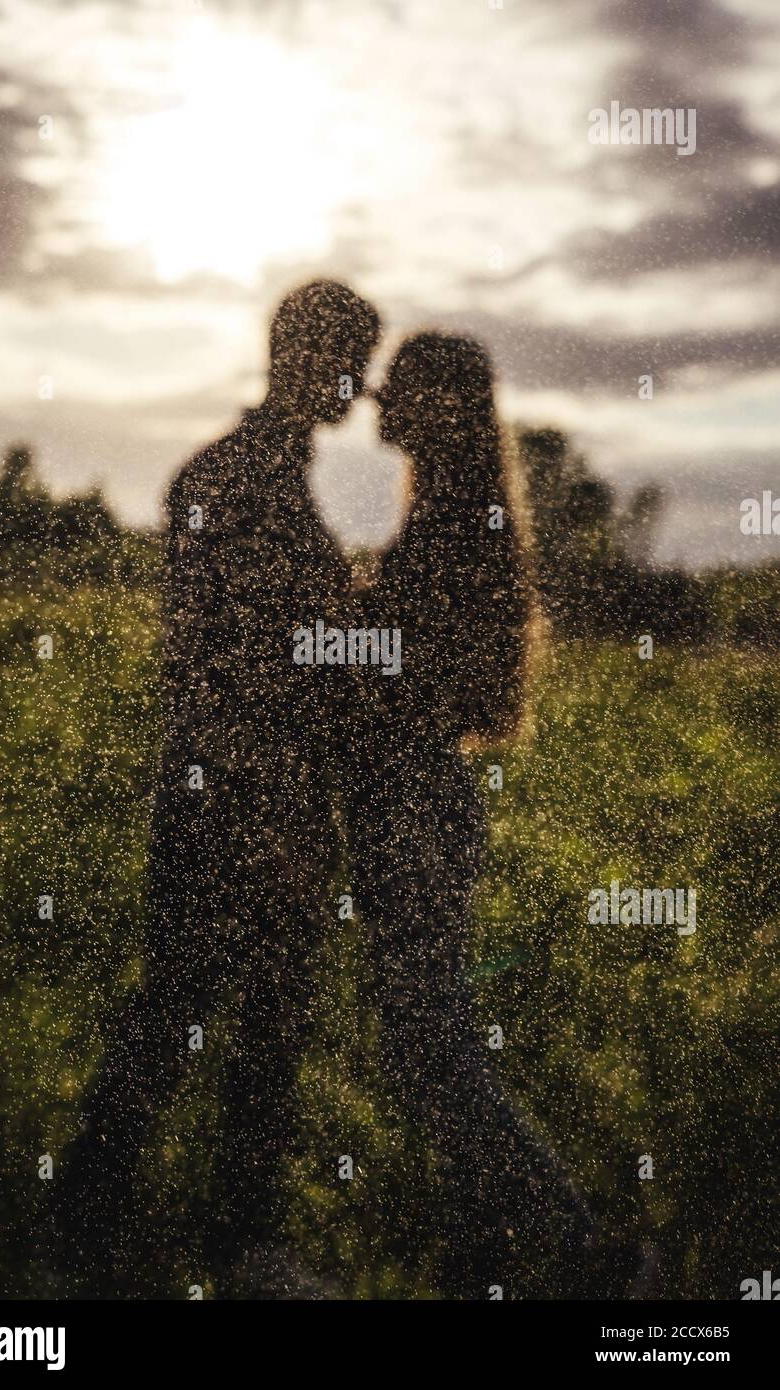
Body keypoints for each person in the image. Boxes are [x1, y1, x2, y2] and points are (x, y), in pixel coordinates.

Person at [55, 281, 380, 1298]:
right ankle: (155, 1243)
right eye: (349, 359)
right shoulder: (237, 479)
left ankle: (134, 1234)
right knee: (211, 1019)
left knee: (220, 1020)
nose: (359, 385)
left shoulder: (254, 474)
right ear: (305, 355)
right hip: (233, 804)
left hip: (247, 796)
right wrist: (267, 809)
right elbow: (203, 669)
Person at [347, 332, 608, 1298]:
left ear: (441, 406)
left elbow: (405, 668)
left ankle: (595, 1261)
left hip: (417, 802)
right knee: (429, 1039)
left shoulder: (454, 522)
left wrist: (337, 613)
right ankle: (486, 1262)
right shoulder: (459, 514)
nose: (376, 406)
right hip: (422, 799)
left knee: (429, 1046)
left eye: (396, 392)